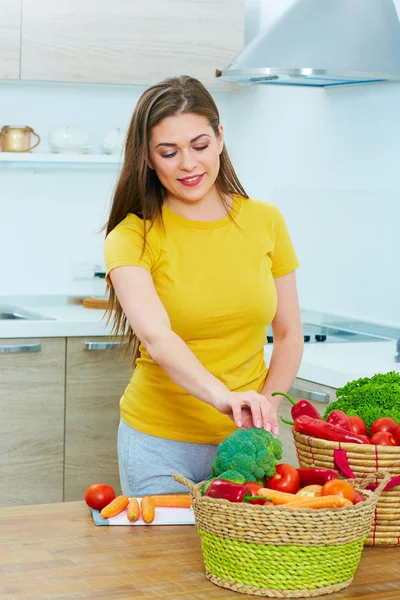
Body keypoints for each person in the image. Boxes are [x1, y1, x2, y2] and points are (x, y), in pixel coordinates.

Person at [104, 75, 304, 496]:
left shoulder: (265, 221)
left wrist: (265, 412)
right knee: (161, 563)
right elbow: (158, 338)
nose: (189, 164)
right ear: (148, 158)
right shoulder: (131, 236)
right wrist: (224, 398)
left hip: (247, 444)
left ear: (220, 138)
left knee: (246, 562)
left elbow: (288, 335)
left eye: (199, 145)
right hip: (159, 444)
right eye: (169, 152)